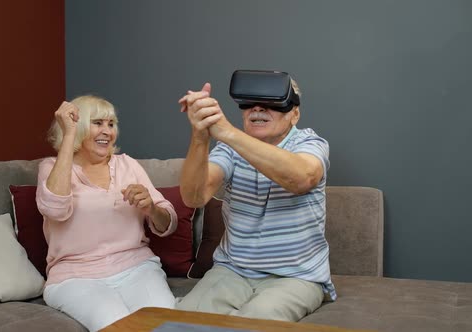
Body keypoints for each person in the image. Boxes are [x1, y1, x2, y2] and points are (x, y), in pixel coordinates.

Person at [175, 74, 336, 322]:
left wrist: (227, 131)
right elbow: (194, 197)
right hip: (231, 270)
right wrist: (200, 135)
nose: (258, 108)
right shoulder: (228, 150)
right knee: (183, 323)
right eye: (249, 103)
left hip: (296, 276)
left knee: (255, 322)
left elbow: (302, 177)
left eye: (272, 103)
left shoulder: (310, 143)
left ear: (294, 114)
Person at [36, 95, 178, 331]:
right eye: (97, 123)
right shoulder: (52, 167)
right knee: (117, 325)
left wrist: (152, 208)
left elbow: (168, 223)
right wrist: (69, 137)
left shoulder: (128, 165)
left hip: (137, 268)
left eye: (111, 124)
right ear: (78, 127)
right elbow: (54, 209)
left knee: (166, 325)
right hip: (75, 277)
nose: (107, 131)